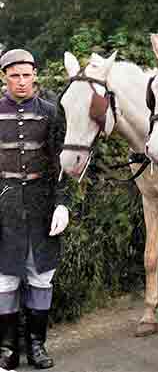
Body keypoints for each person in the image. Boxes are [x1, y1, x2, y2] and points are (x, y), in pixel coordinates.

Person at [0, 49, 69, 370]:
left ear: (35, 76)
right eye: (15, 75)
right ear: (4, 78)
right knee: (4, 281)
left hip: (42, 207)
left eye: (27, 75)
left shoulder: (52, 113)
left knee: (41, 278)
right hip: (5, 205)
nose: (22, 82)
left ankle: (37, 346)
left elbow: (62, 165)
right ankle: (7, 348)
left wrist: (62, 204)